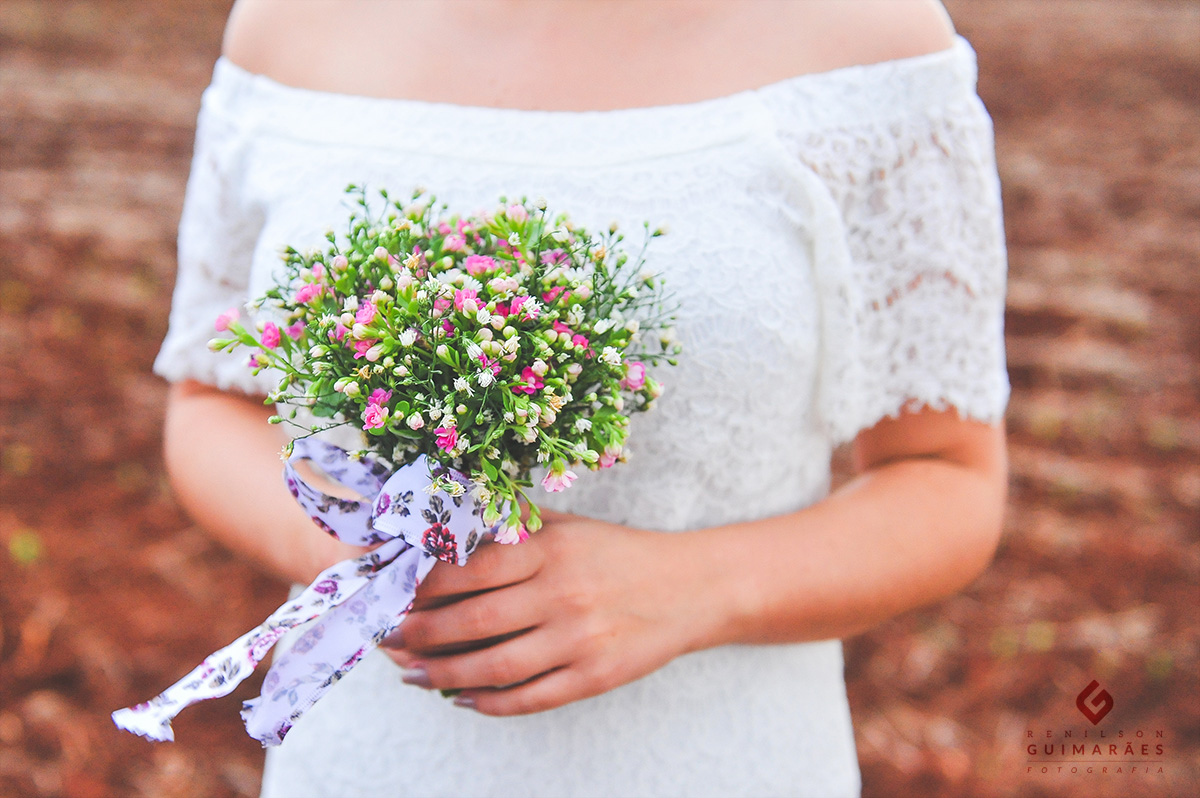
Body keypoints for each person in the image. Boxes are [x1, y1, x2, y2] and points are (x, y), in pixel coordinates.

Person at [154, 1, 1009, 795]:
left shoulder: (872, 38)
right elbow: (208, 400)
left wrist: (694, 587)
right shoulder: (289, 24)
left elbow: (948, 476)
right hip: (366, 759)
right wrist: (365, 555)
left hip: (717, 760)